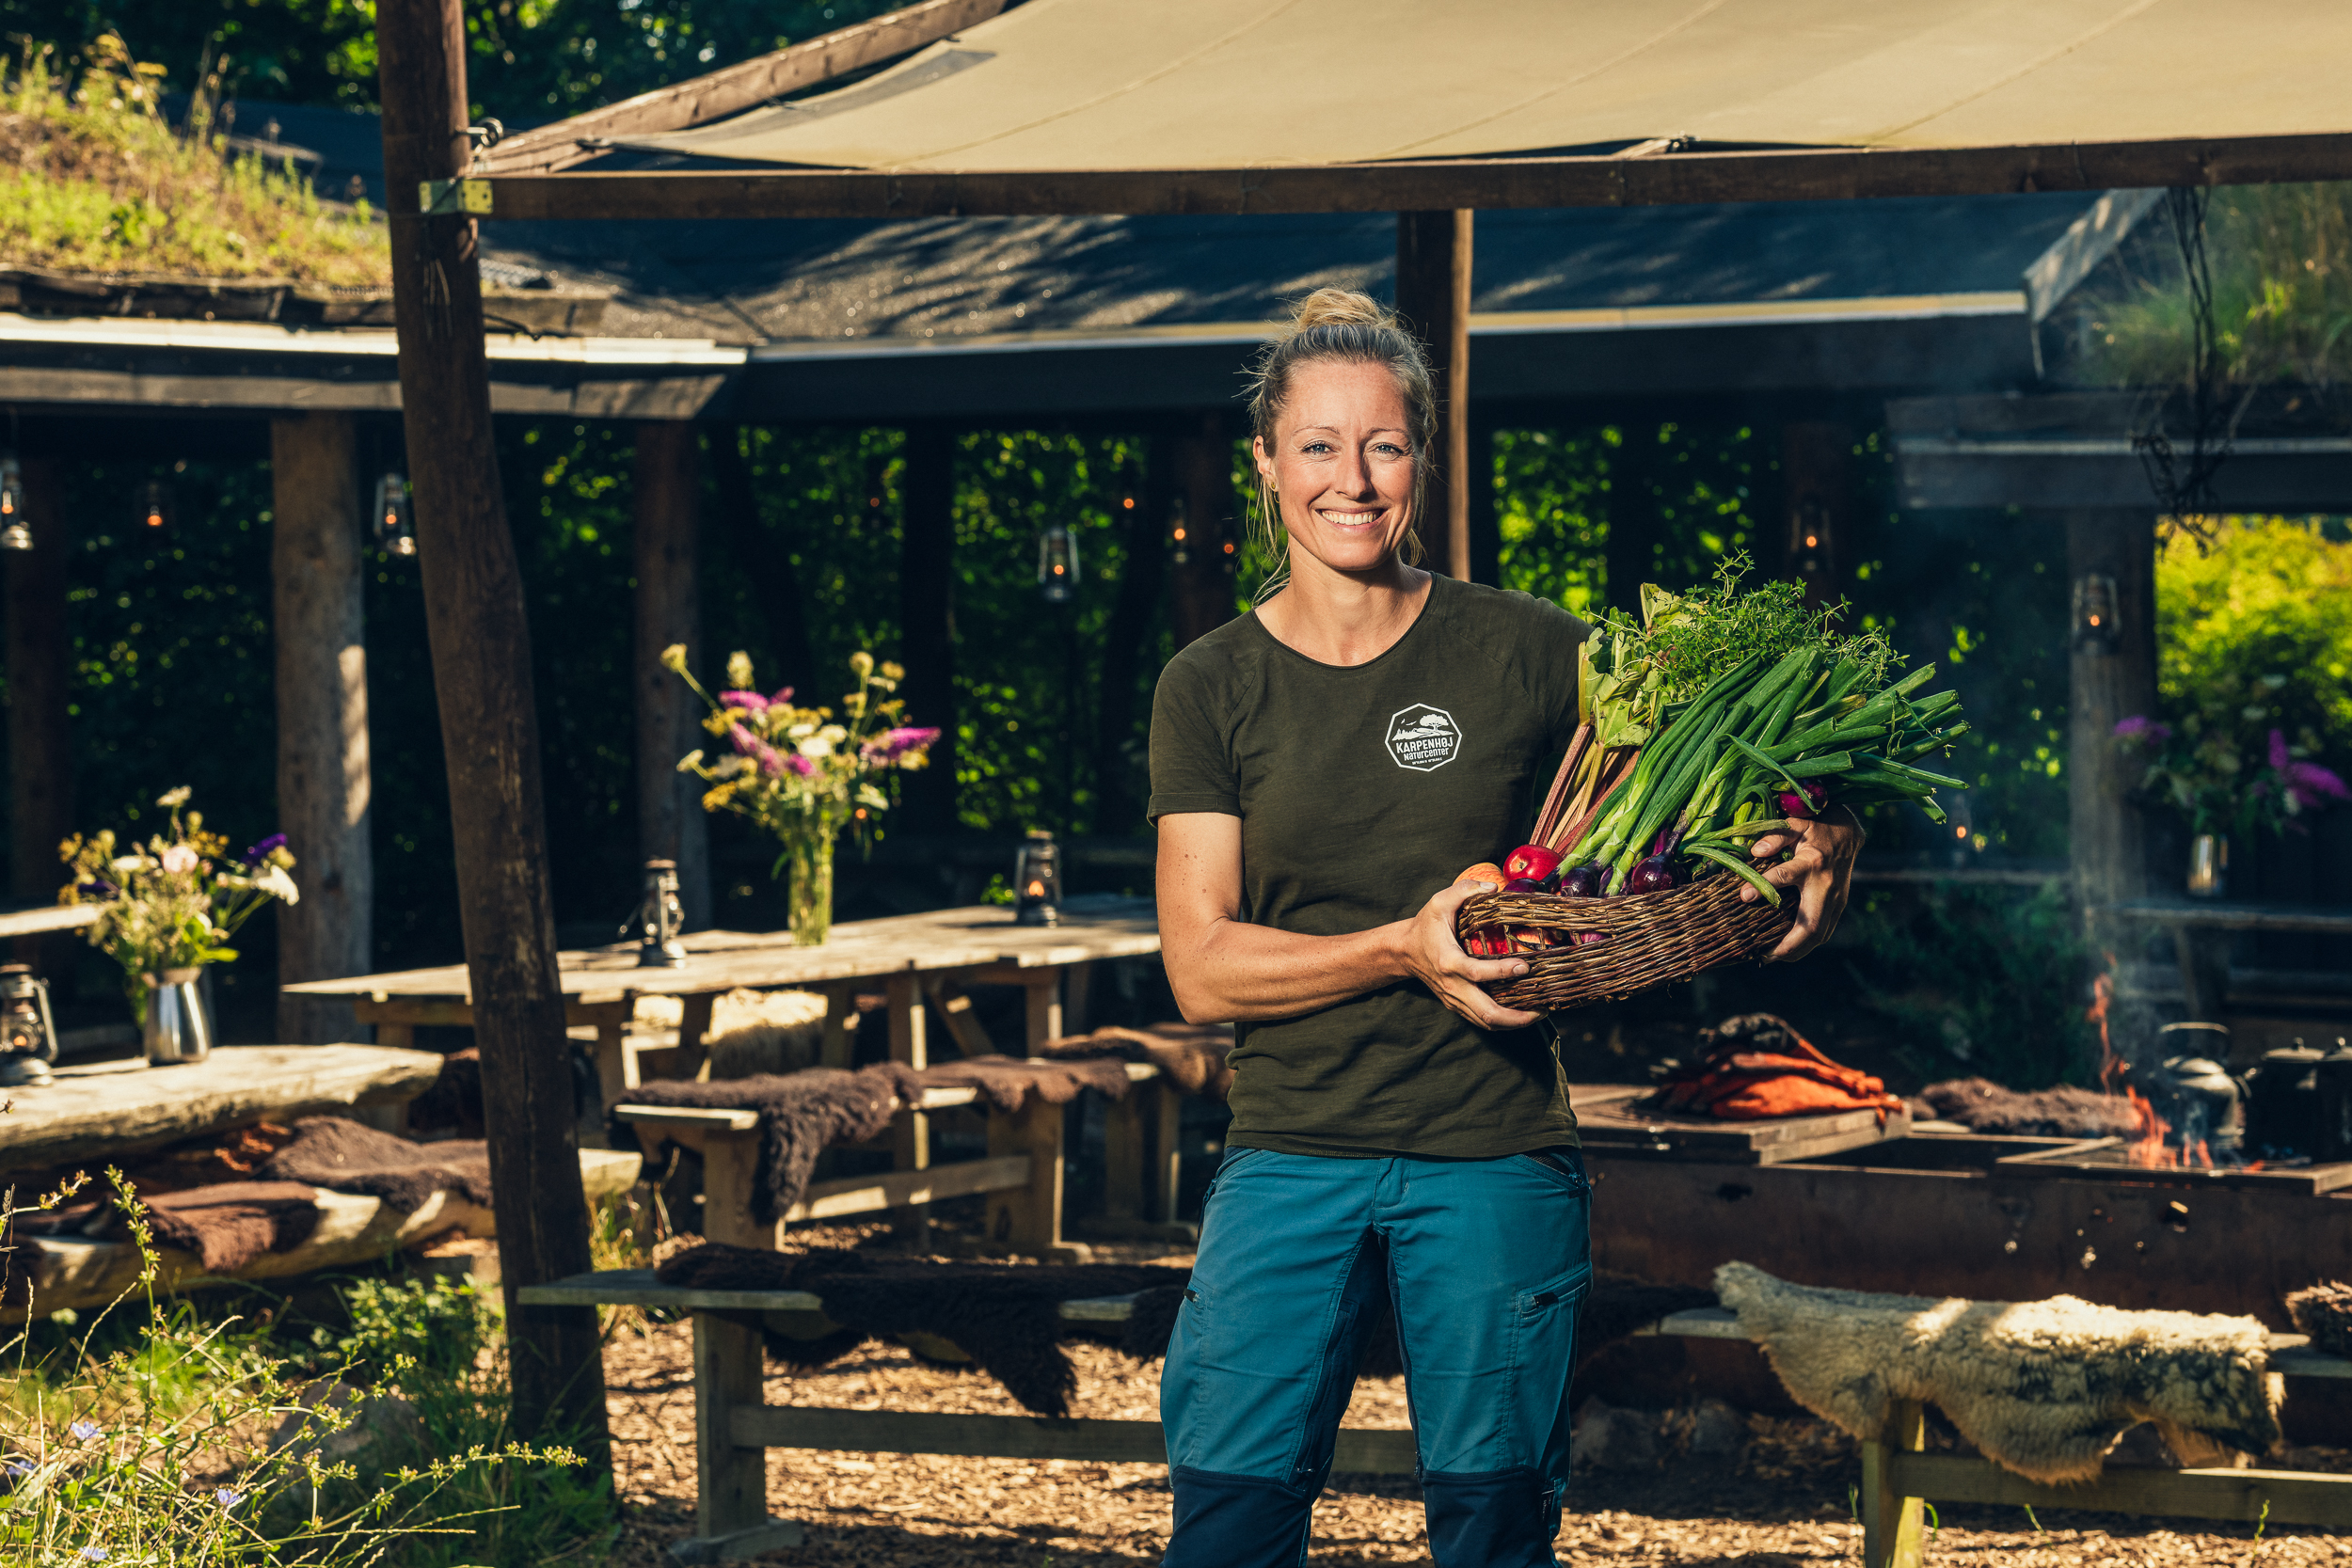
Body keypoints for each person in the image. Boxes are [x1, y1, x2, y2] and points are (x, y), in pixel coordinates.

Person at [1147, 288, 1861, 1568]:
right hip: (1291, 1152)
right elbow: (1201, 970)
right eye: (1318, 446)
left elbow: (1699, 810)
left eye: (1384, 445)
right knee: (1226, 1525)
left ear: (1421, 457)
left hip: (1492, 1152)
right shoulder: (1211, 684)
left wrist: (1821, 840)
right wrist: (1404, 947)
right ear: (1265, 462)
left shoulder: (1527, 650)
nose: (1353, 480)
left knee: (1494, 1531)